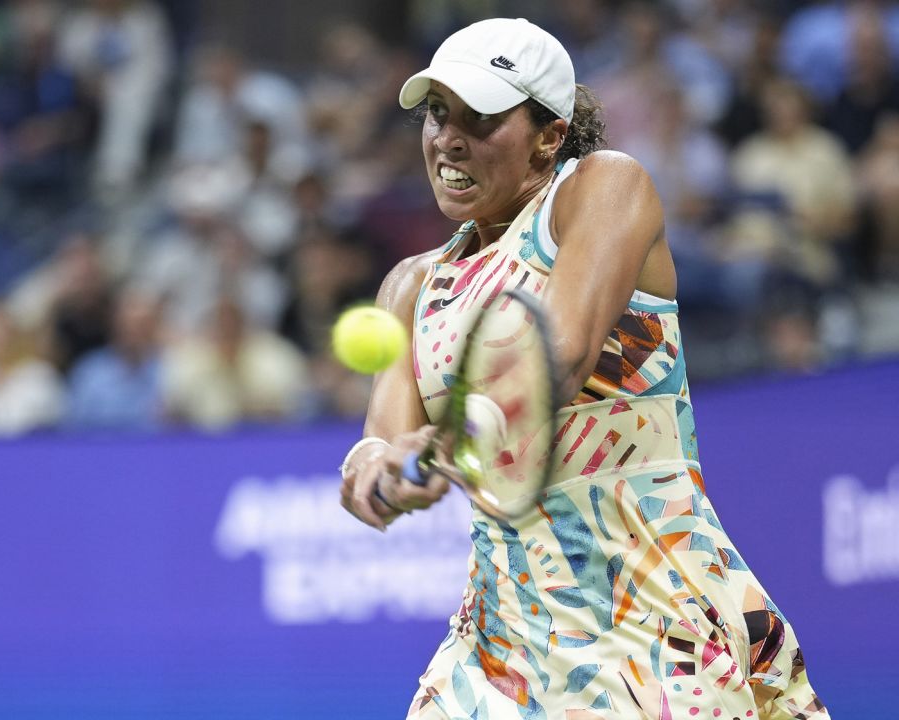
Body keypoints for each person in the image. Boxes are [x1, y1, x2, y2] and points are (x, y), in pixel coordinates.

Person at [337, 18, 829, 720]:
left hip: (652, 621)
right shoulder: (410, 287)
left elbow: (558, 357)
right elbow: (381, 438)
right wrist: (376, 474)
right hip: (498, 646)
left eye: (480, 117)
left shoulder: (601, 190)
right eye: (437, 114)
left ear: (549, 133)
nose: (448, 137)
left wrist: (442, 442)